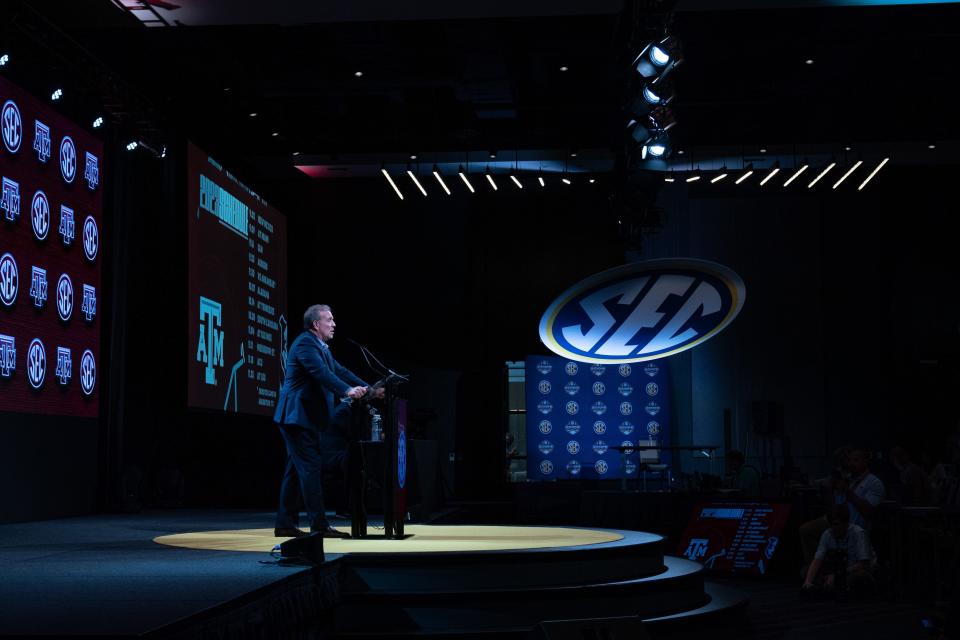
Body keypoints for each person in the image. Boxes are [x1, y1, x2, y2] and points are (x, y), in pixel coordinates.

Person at [272, 304, 377, 538]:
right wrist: (348, 391)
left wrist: (370, 389)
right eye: (329, 320)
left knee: (294, 471)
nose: (334, 324)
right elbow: (321, 374)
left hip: (303, 419)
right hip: (296, 417)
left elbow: (340, 370)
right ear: (316, 325)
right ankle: (318, 525)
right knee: (310, 470)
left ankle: (284, 523)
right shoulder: (304, 344)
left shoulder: (322, 347)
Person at [803, 504, 877, 595]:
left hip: (854, 571)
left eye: (837, 524)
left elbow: (864, 564)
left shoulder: (858, 533)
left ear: (846, 523)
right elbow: (817, 560)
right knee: (806, 571)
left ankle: (834, 585)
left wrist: (838, 575)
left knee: (860, 578)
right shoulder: (828, 534)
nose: (833, 528)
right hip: (837, 571)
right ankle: (831, 584)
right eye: (831, 525)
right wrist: (808, 582)